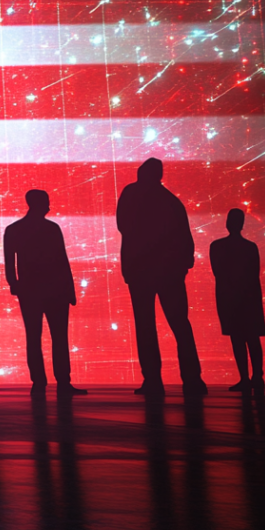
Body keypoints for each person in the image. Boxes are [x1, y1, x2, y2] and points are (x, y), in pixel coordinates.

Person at [116, 158, 206, 396]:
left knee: (145, 325)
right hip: (169, 271)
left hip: (140, 270)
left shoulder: (132, 193)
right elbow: (184, 235)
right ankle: (192, 378)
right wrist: (183, 263)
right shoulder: (171, 201)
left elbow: (123, 225)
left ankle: (153, 379)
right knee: (179, 323)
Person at [4, 190, 87, 397]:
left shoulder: (15, 229)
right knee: (59, 337)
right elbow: (62, 260)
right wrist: (69, 290)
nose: (49, 207)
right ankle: (62, 381)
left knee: (34, 337)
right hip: (54, 290)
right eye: (47, 203)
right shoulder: (51, 229)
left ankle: (39, 382)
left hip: (31, 290)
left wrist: (15, 285)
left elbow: (8, 263)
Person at [209, 209, 265, 393]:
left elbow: (218, 272)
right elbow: (254, 273)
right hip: (248, 296)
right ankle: (256, 376)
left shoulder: (217, 246)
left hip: (229, 296)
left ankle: (246, 377)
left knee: (238, 338)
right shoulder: (250, 247)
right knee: (252, 338)